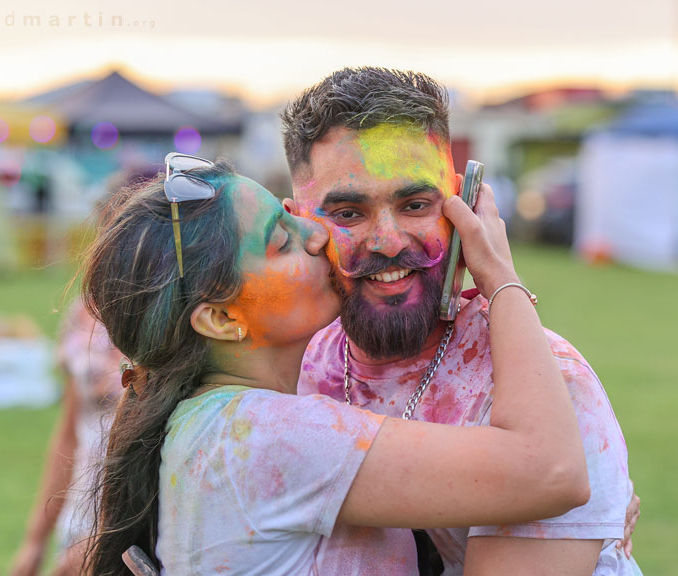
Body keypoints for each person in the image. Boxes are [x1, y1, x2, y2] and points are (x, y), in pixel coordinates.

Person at [82, 156, 589, 575]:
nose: (318, 235)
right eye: (281, 241)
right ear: (218, 318)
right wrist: (499, 272)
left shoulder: (209, 426)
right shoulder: (271, 436)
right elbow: (553, 470)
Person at [281, 67, 642, 575]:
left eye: (415, 205)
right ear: (299, 223)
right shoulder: (291, 363)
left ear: (465, 206)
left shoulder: (546, 394)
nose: (387, 241)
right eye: (347, 213)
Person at [10, 302, 124, 576]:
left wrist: (105, 540)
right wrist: (35, 539)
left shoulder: (182, 298)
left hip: (139, 539)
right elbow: (70, 436)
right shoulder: (86, 311)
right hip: (77, 530)